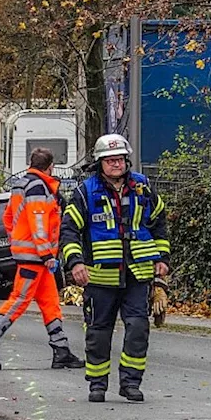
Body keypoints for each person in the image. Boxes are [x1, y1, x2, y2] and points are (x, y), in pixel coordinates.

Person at [61, 134, 169, 403]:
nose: (116, 164)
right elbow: (69, 230)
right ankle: (97, 384)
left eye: (119, 159)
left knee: (137, 329)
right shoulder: (86, 192)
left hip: (137, 275)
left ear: (126, 160)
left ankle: (130, 383)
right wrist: (75, 263)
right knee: (98, 332)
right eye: (110, 160)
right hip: (100, 277)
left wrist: (163, 258)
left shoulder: (142, 187)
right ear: (100, 163)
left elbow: (159, 222)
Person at [0, 148, 86, 371]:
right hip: (36, 258)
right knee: (18, 302)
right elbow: (39, 223)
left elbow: (9, 217)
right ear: (50, 166)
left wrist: (18, 241)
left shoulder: (20, 185)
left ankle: (61, 351)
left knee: (50, 303)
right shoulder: (38, 187)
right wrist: (45, 254)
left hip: (31, 255)